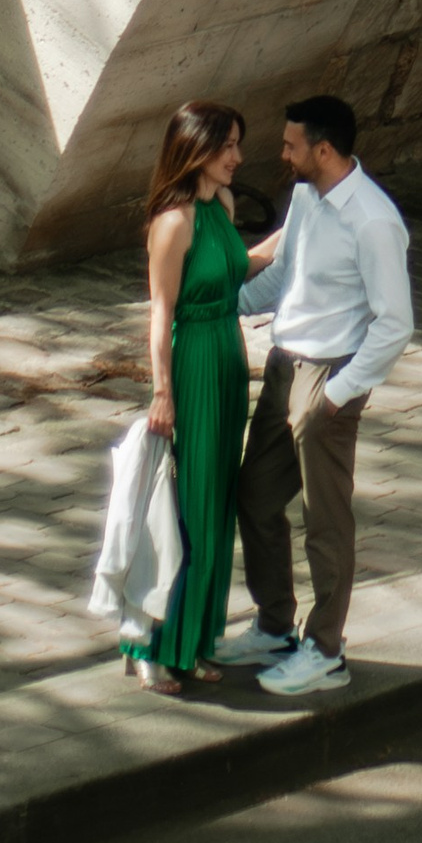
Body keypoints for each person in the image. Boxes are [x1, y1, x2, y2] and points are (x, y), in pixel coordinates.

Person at [222, 95, 414, 699]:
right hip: (284, 362)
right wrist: (219, 309)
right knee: (254, 496)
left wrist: (336, 395)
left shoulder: (375, 221)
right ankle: (275, 626)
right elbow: (284, 280)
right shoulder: (307, 198)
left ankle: (326, 650)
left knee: (325, 522)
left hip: (328, 376)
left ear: (323, 150)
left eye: (290, 145)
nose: (281, 154)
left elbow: (395, 324)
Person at [129, 99, 255, 694]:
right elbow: (161, 312)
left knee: (215, 508)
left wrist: (290, 237)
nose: (238, 157)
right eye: (228, 145)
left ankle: (194, 641)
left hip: (230, 362)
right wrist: (163, 392)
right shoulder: (173, 221)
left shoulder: (222, 206)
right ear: (197, 149)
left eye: (237, 144)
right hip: (195, 364)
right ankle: (149, 645)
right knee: (182, 512)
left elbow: (234, 269)